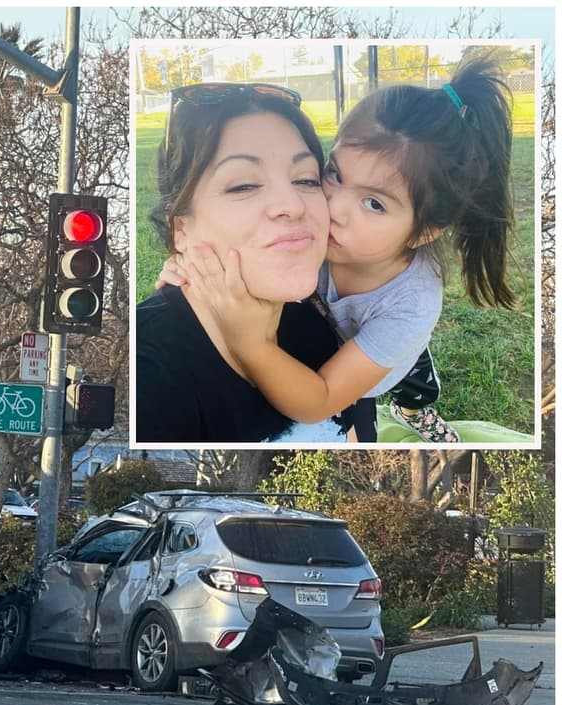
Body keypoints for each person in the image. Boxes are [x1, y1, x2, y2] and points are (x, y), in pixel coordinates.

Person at [161, 57, 515, 443]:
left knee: (404, 386)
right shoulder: (310, 230)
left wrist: (251, 344)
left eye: (374, 204)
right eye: (334, 174)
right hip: (330, 332)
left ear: (423, 232)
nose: (334, 208)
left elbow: (322, 400)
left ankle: (415, 409)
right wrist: (194, 269)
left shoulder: (410, 307)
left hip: (378, 354)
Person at [135, 81, 366, 442]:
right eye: (243, 186)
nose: (292, 205)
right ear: (180, 229)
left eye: (306, 180)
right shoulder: (146, 376)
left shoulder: (314, 327)